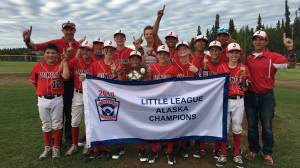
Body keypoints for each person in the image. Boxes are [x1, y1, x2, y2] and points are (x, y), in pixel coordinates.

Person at [23, 21, 81, 144]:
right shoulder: (55, 43)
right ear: (63, 31)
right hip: (56, 78)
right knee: (56, 110)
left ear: (74, 31)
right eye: (67, 29)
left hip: (71, 80)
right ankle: (56, 140)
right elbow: (35, 47)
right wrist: (27, 40)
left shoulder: (78, 45)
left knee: (69, 111)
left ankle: (69, 139)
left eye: (71, 29)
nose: (69, 31)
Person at [244, 31, 296, 166]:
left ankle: (267, 153)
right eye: (255, 39)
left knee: (267, 126)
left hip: (266, 97)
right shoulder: (248, 57)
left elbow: (291, 65)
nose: (258, 42)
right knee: (251, 126)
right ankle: (253, 150)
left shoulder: (273, 57)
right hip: (250, 96)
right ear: (252, 42)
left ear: (266, 42)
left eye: (261, 39)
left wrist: (290, 49)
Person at [29, 44, 70, 160]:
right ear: (44, 54)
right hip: (42, 99)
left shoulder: (60, 65)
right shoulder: (38, 66)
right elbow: (34, 81)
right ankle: (47, 148)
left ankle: (56, 147)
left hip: (57, 99)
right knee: (46, 124)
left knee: (57, 124)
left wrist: (65, 61)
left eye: (53, 53)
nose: (50, 55)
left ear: (57, 55)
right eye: (48, 52)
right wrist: (39, 91)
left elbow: (66, 77)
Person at [215, 43, 251, 167]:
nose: (234, 54)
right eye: (232, 52)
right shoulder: (221, 67)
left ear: (240, 54)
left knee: (237, 127)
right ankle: (223, 154)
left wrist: (243, 79)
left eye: (237, 52)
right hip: (224, 100)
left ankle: (236, 153)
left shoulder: (244, 67)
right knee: (224, 127)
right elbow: (216, 86)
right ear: (227, 54)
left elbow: (245, 88)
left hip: (239, 100)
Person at [147, 45, 179, 165]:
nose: (162, 56)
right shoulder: (152, 67)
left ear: (168, 56)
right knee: (155, 126)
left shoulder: (174, 68)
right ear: (157, 55)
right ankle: (154, 149)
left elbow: (179, 87)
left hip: (169, 102)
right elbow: (147, 85)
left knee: (170, 127)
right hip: (155, 102)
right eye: (160, 54)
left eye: (164, 54)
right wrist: (148, 75)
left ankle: (170, 151)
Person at [64, 41, 94, 156]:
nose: (85, 51)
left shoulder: (95, 63)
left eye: (87, 49)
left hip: (90, 94)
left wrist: (88, 77)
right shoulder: (76, 61)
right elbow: (65, 70)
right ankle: (74, 145)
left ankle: (87, 143)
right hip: (77, 94)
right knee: (75, 121)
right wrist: (65, 59)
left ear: (91, 51)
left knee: (89, 121)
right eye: (83, 49)